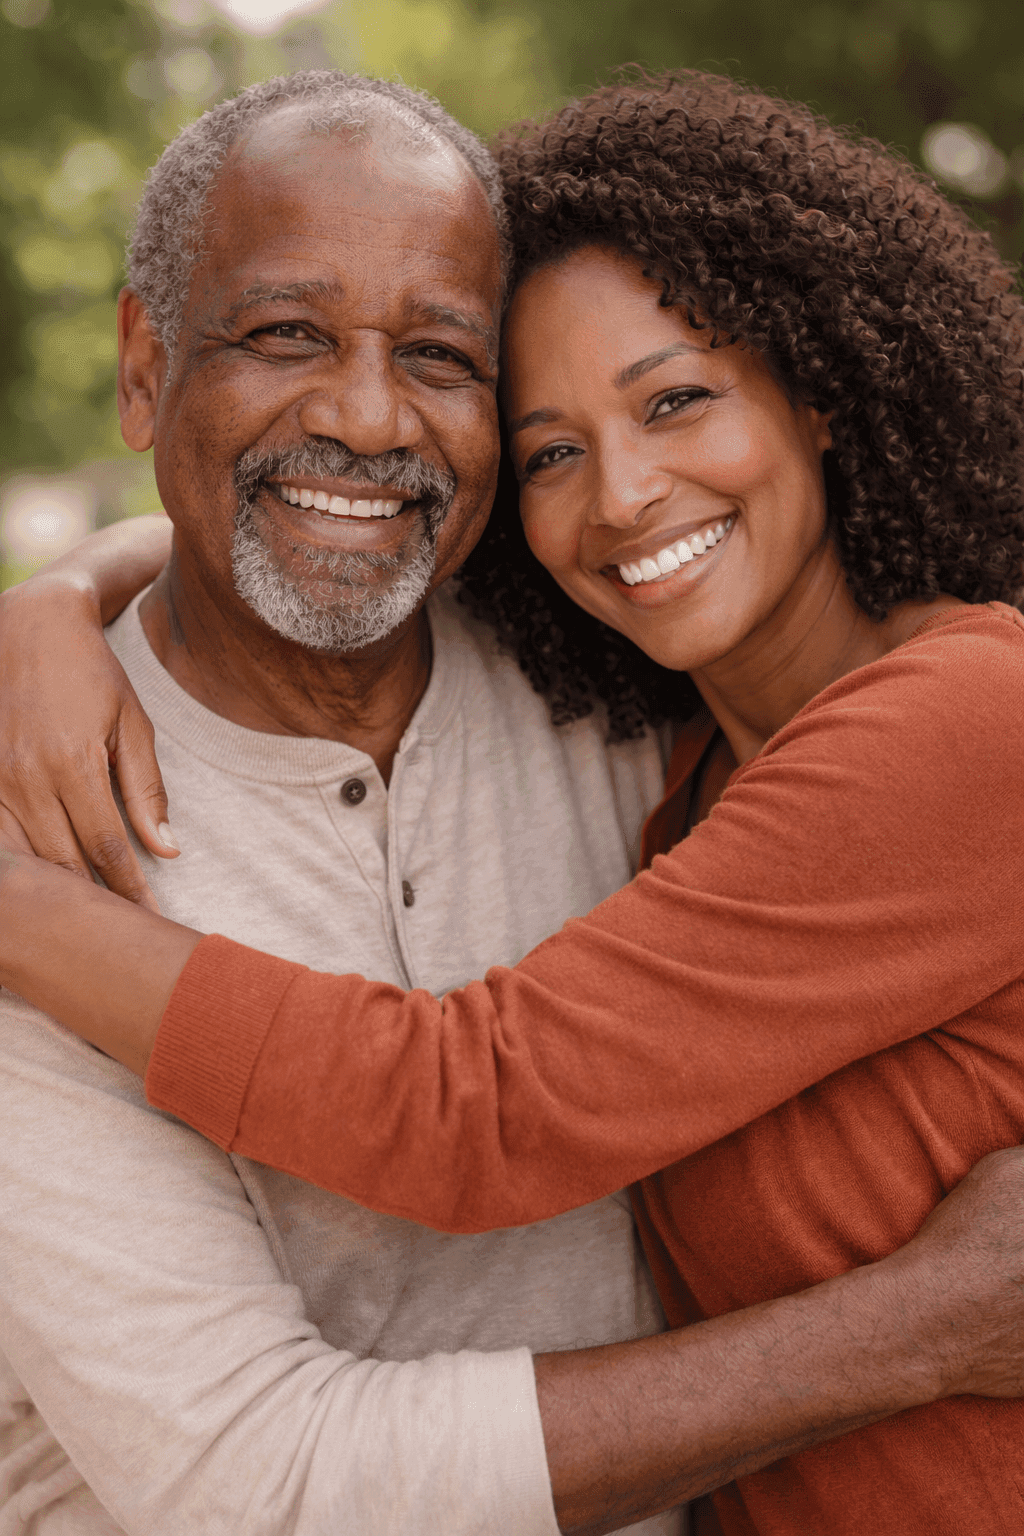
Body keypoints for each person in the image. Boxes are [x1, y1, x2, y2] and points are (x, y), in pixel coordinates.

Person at [1, 67, 1023, 1536]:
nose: (622, 496)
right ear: (147, 365)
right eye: (554, 448)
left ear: (821, 388)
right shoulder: (680, 759)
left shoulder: (883, 723)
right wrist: (52, 605)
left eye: (436, 357)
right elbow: (259, 1482)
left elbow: (467, 1109)